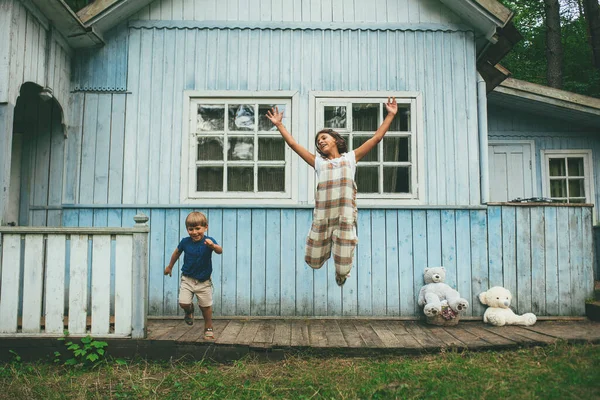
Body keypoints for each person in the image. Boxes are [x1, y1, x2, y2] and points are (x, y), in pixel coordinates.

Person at [266, 97, 398, 286]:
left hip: (344, 219)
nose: (320, 142)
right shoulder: (319, 163)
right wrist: (279, 125)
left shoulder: (351, 158)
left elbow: (376, 138)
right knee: (312, 261)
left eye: (324, 138)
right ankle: (328, 251)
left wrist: (390, 115)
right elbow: (294, 145)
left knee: (343, 267)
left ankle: (341, 274)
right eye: (318, 141)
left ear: (335, 140)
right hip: (323, 219)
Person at [164, 211, 222, 340]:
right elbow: (176, 253)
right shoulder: (185, 242)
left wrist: (213, 246)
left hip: (204, 281)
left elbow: (220, 250)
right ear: (187, 229)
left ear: (205, 227)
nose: (194, 232)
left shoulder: (209, 241)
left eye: (198, 228)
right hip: (187, 279)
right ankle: (189, 311)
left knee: (205, 306)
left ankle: (208, 327)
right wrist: (169, 266)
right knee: (183, 302)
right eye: (191, 229)